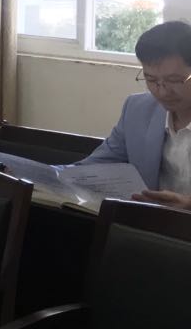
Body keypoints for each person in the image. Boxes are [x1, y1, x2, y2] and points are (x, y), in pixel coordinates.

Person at [77, 20, 191, 211]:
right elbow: (94, 167)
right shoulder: (137, 110)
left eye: (174, 80)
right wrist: (47, 176)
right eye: (151, 79)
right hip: (147, 224)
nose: (162, 91)